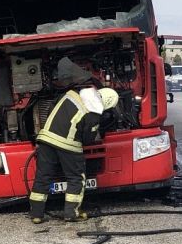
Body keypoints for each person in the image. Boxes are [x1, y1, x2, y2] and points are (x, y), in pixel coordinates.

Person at [29, 87, 119, 224]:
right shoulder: (93, 113)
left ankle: (36, 215)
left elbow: (50, 110)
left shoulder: (70, 94)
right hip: (68, 146)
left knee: (43, 176)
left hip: (46, 140)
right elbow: (88, 139)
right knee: (76, 178)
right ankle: (71, 213)